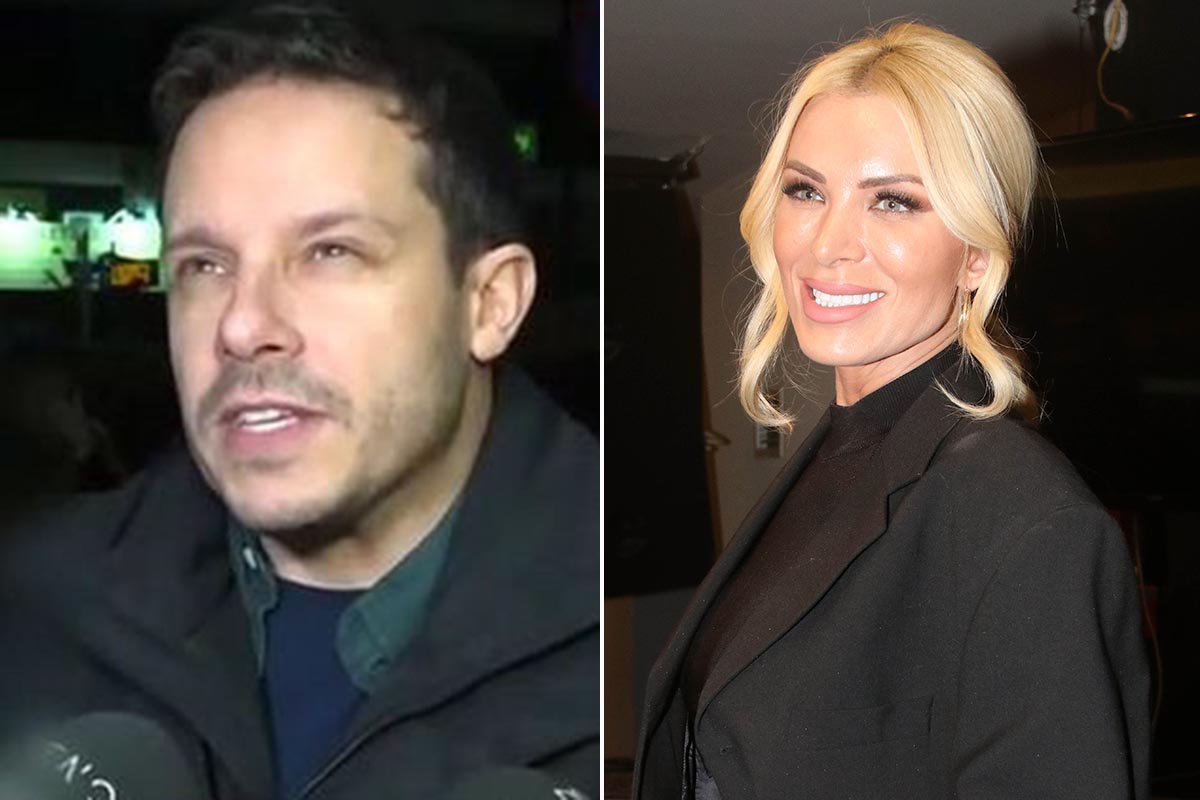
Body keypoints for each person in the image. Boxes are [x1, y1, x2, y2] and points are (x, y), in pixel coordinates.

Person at [0, 5, 598, 800]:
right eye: (205, 265)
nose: (243, 326)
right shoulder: (37, 603)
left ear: (490, 303)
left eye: (331, 252)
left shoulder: (647, 655)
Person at [632, 22, 1149, 800]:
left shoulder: (1030, 525)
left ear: (977, 254)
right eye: (806, 191)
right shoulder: (838, 456)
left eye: (894, 202)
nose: (828, 244)